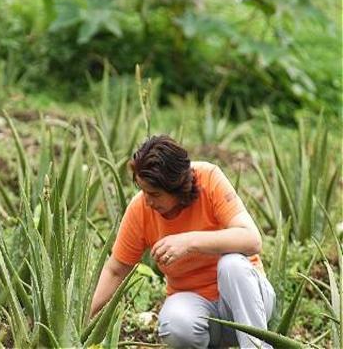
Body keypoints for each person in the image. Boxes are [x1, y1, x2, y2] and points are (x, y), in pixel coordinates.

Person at [89, 135, 275, 348]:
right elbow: (116, 270)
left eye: (155, 194)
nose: (147, 201)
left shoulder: (209, 178)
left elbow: (252, 239)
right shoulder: (140, 208)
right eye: (143, 191)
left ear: (177, 187)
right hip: (198, 307)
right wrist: (82, 318)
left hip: (250, 306)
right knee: (175, 325)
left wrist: (189, 242)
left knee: (232, 264)